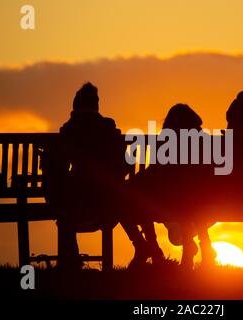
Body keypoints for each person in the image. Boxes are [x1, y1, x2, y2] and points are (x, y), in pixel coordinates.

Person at [51, 82, 161, 270]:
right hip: (110, 203)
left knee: (64, 209)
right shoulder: (109, 128)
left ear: (76, 106)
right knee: (122, 197)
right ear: (96, 105)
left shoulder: (69, 130)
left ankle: (71, 259)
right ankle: (143, 245)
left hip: (77, 202)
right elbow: (125, 165)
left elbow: (59, 167)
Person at [131, 104, 216, 269]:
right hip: (197, 201)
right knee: (191, 200)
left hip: (172, 202)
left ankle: (153, 248)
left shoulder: (166, 141)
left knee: (140, 200)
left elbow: (156, 172)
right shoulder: (202, 141)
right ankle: (202, 246)